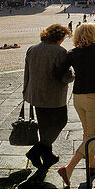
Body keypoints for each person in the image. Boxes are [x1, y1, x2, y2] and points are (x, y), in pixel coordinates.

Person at [58, 23, 95, 186]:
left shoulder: (72, 53)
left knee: (87, 132)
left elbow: (62, 72)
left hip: (77, 97)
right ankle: (69, 168)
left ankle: (93, 165)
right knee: (93, 134)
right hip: (94, 97)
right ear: (92, 35)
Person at [21, 23, 72, 171]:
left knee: (44, 126)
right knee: (61, 121)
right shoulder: (61, 52)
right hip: (54, 96)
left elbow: (27, 73)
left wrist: (26, 91)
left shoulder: (32, 49)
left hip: (36, 94)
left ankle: (48, 156)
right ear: (60, 37)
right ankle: (35, 151)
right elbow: (65, 77)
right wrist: (73, 75)